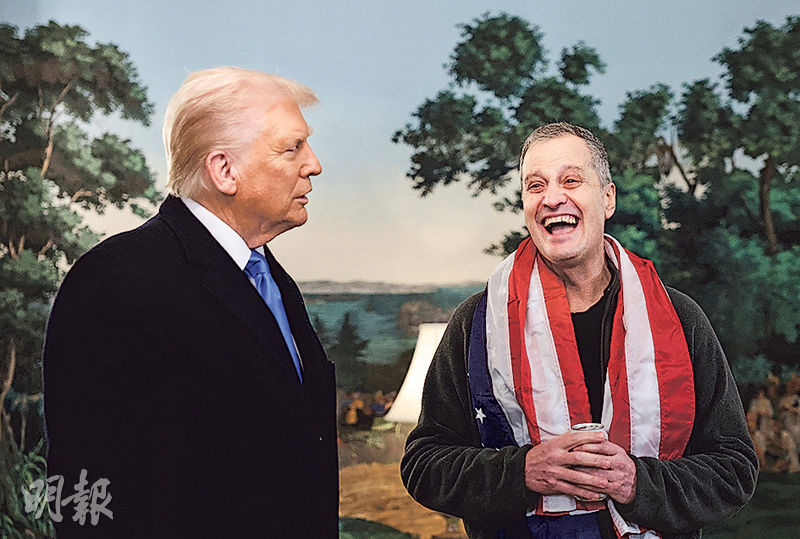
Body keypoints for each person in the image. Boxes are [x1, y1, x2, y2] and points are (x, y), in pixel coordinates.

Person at [401, 122, 758, 538]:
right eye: (535, 186)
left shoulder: (679, 318)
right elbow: (423, 466)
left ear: (607, 198)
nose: (552, 198)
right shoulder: (478, 324)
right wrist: (521, 471)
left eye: (571, 180)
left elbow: (734, 470)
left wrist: (637, 482)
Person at [43, 67, 338, 537]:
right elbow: (86, 497)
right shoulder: (115, 282)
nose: (314, 164)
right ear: (224, 170)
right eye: (292, 148)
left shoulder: (270, 279)